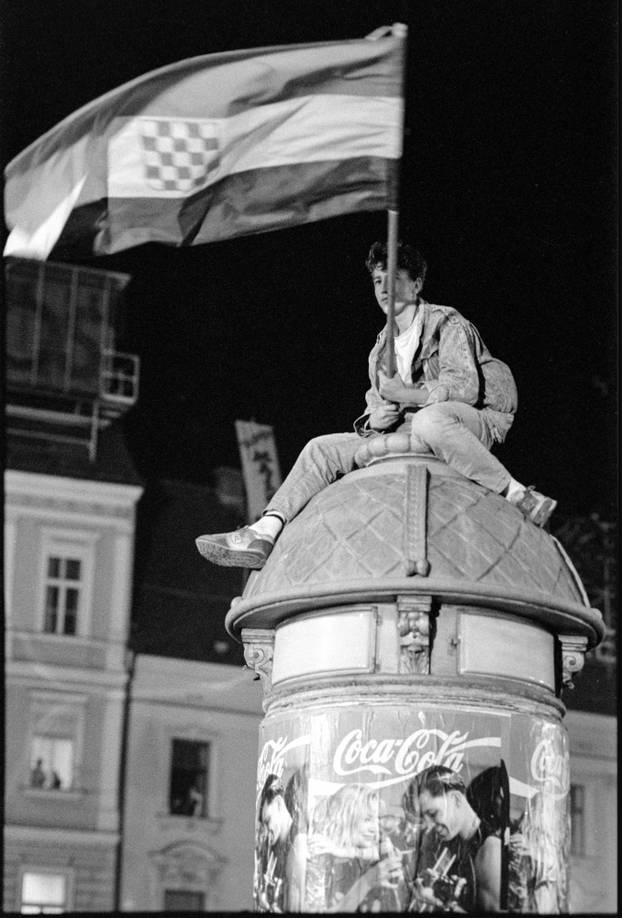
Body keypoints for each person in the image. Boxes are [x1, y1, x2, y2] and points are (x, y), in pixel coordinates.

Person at [196, 242, 556, 570]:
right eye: (377, 281)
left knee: (431, 421)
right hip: (408, 430)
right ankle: (264, 531)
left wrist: (409, 395)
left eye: (393, 279)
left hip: (468, 420)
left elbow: (465, 386)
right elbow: (373, 407)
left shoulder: (446, 323)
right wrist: (376, 419)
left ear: (416, 284)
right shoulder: (381, 349)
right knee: (320, 449)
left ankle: (518, 494)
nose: (383, 289)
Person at [409, 765, 502, 912]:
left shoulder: (490, 850)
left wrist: (442, 904)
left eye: (433, 814)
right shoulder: (456, 843)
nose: (429, 826)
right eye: (423, 818)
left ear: (456, 799)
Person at [304, 783, 405, 911]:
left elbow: (381, 850)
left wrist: (344, 852)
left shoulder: (364, 847)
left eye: (376, 819)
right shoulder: (318, 851)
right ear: (345, 817)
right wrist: (368, 881)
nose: (375, 828)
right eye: (367, 819)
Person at [255, 773, 294, 912]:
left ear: (279, 804)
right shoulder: (271, 853)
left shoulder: (296, 846)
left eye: (267, 821)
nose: (265, 831)